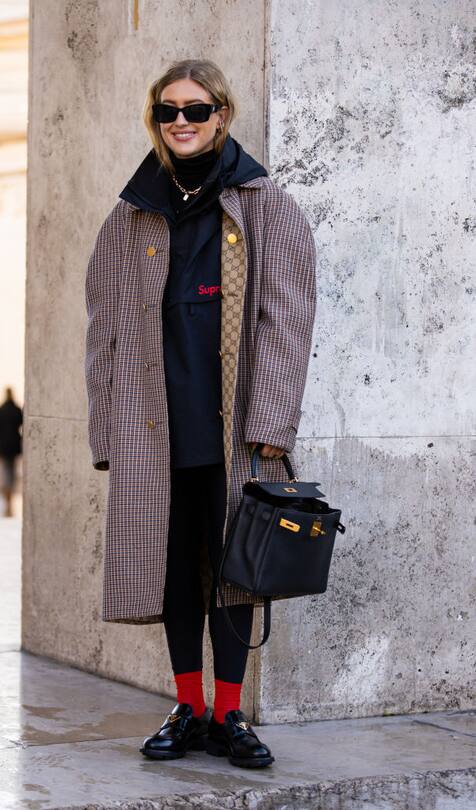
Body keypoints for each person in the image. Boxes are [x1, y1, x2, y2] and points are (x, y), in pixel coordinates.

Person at [84, 59, 316, 768]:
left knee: (233, 570)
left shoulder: (264, 204)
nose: (180, 122)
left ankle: (228, 713)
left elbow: (288, 317)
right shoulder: (131, 214)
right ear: (155, 120)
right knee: (174, 569)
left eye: (195, 109)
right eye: (167, 111)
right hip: (153, 426)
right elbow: (103, 328)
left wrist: (271, 425)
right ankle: (186, 708)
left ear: (222, 115)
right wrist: (105, 430)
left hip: (236, 426)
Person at [0, 386, 23, 512]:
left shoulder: (1, 409)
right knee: (12, 468)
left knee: (5, 468)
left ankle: (6, 489)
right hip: (14, 444)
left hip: (3, 444)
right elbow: (21, 422)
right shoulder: (16, 409)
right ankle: (10, 489)